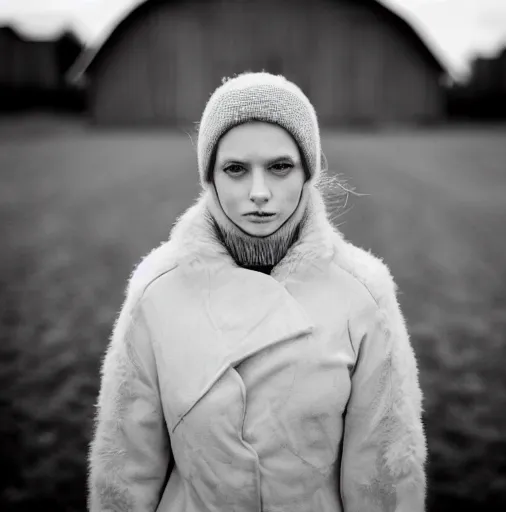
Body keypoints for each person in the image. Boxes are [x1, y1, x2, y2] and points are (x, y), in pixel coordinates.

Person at [87, 71, 427, 512]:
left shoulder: (363, 292)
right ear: (209, 177)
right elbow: (124, 470)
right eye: (235, 169)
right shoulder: (156, 290)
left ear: (309, 172)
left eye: (280, 167)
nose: (259, 193)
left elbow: (384, 477)